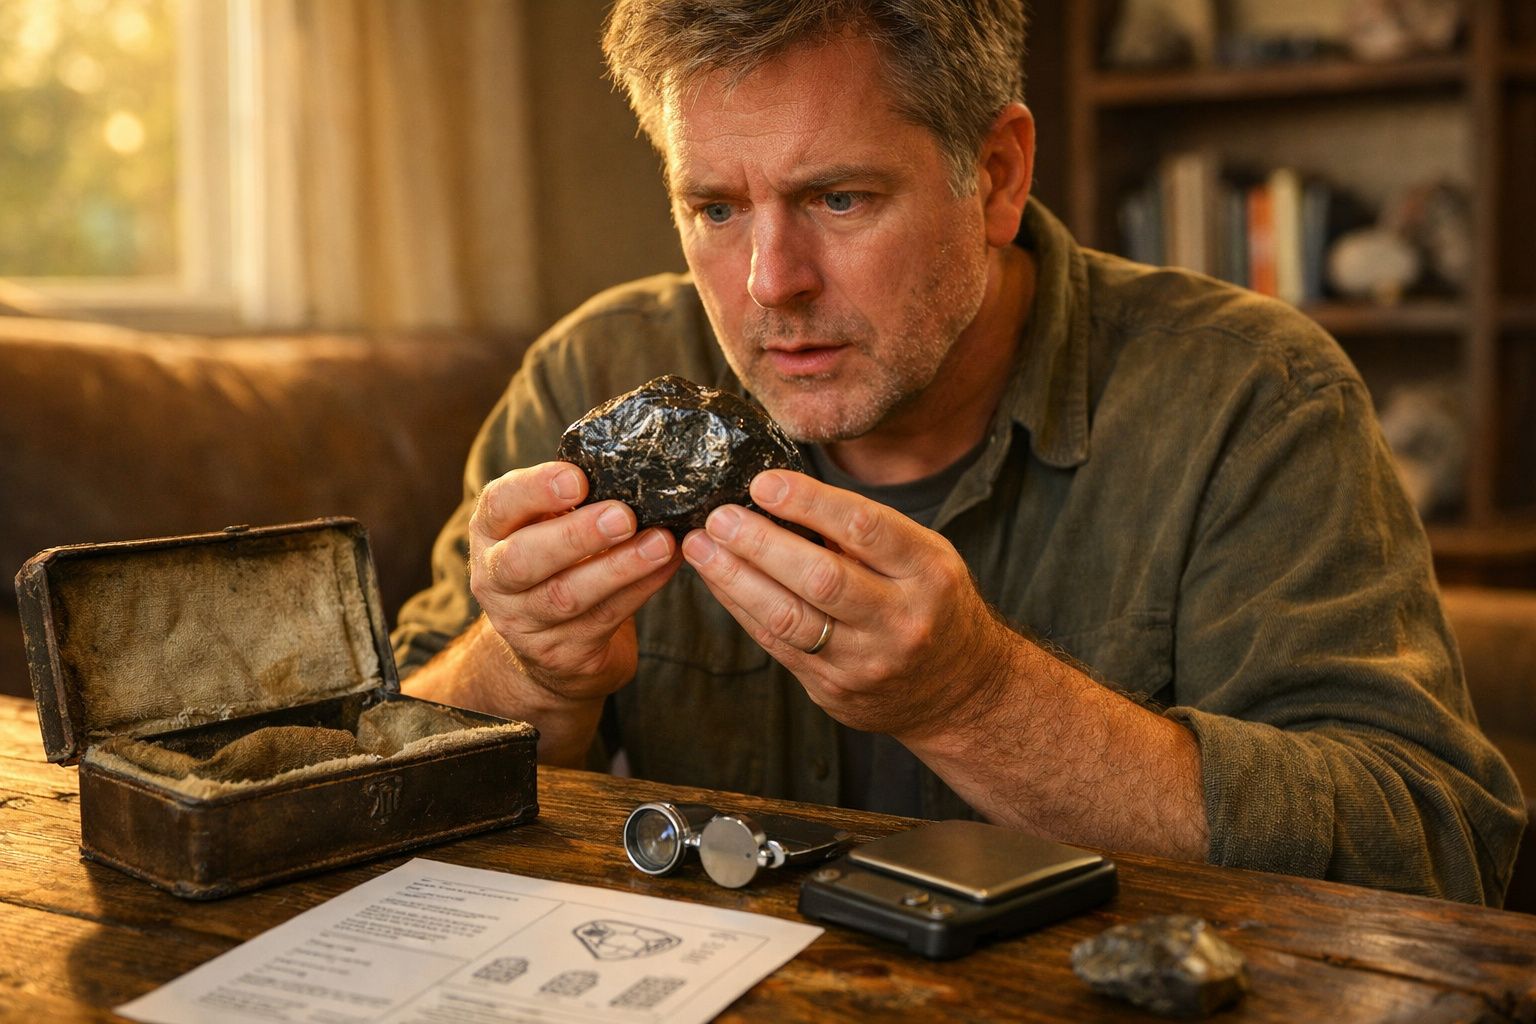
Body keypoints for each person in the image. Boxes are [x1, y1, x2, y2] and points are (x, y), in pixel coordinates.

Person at [392, 0, 1524, 905]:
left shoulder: (1252, 396)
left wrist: (975, 697)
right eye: (716, 208)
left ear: (996, 173)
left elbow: (1431, 848)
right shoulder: (589, 374)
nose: (767, 284)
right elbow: (381, 763)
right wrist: (523, 673)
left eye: (838, 197)